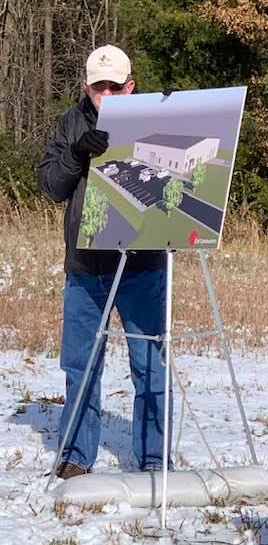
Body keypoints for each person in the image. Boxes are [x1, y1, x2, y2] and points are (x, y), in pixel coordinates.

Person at [38, 45, 170, 478]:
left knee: (149, 363)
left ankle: (153, 457)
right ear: (86, 87)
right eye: (100, 87)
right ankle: (76, 454)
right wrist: (77, 153)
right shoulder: (70, 124)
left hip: (143, 265)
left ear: (131, 86)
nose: (108, 94)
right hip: (86, 268)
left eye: (117, 86)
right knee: (80, 365)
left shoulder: (157, 120)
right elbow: (51, 186)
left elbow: (174, 188)